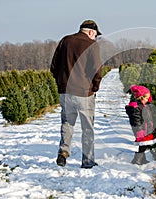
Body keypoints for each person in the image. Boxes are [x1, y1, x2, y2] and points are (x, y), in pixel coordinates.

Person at [50, 19, 103, 168]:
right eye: (96, 35)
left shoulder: (65, 41)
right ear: (91, 32)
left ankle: (63, 153)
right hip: (84, 93)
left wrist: (61, 84)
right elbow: (97, 70)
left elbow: (53, 66)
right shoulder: (92, 45)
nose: (95, 38)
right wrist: (95, 87)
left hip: (65, 91)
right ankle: (87, 161)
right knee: (87, 127)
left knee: (67, 123)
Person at [125, 85, 156, 165]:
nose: (147, 100)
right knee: (143, 144)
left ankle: (142, 159)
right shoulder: (136, 107)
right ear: (141, 97)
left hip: (145, 128)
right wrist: (139, 129)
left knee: (144, 144)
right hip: (141, 129)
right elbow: (136, 119)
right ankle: (137, 160)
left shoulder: (142, 106)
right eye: (146, 98)